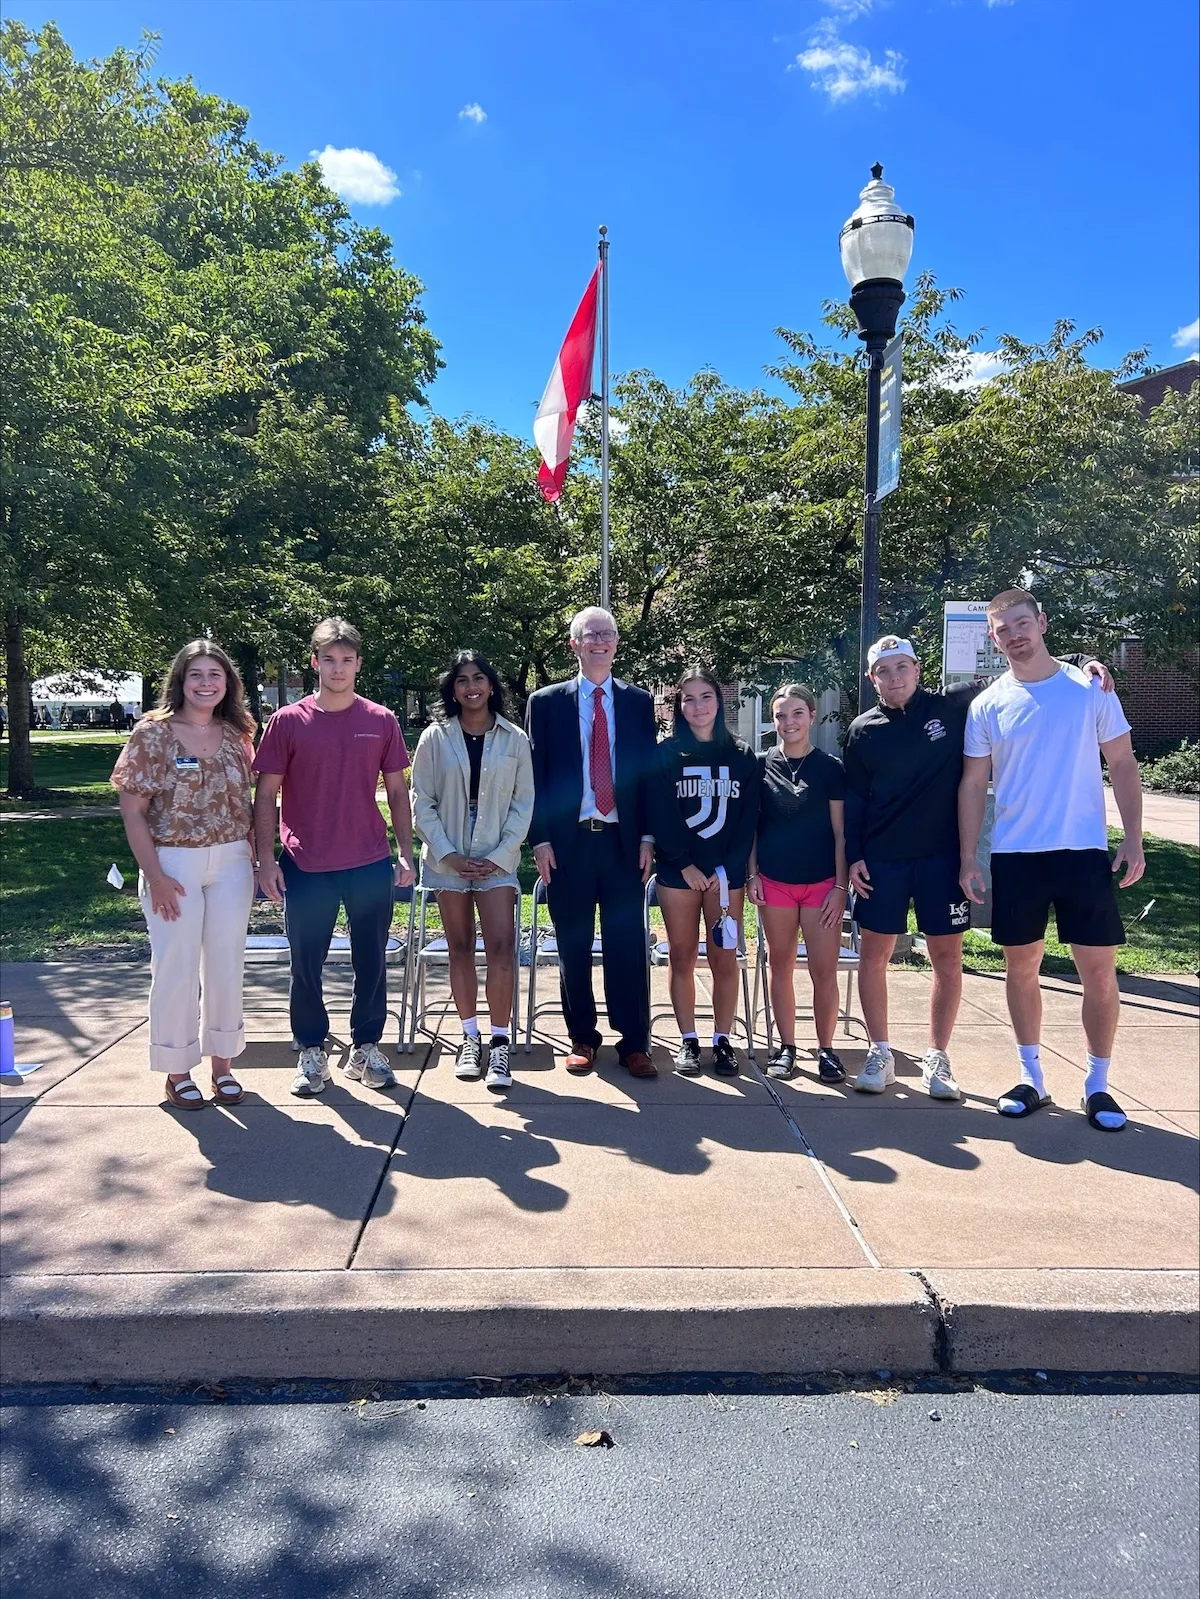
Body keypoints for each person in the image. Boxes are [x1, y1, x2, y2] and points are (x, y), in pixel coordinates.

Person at [843, 634, 1112, 1101]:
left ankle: (937, 1057)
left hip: (943, 858)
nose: (895, 677)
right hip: (883, 860)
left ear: (918, 668)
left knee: (947, 959)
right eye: (884, 671)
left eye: (902, 667)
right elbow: (854, 799)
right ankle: (880, 1053)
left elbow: (1022, 662)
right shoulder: (862, 730)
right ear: (872, 679)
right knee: (874, 957)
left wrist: (1083, 659)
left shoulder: (953, 704)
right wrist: (853, 856)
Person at [960, 589, 1144, 1131]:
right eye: (1003, 629)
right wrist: (969, 855)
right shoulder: (988, 704)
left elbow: (1123, 763)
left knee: (1099, 973)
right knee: (1021, 968)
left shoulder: (1089, 688)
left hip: (1082, 851)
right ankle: (1032, 1077)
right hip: (1016, 854)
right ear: (993, 638)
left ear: (1041, 622)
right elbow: (972, 783)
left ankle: (1098, 1085)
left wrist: (1133, 839)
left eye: (1022, 623)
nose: (1014, 635)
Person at [254, 617, 415, 1098]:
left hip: (368, 860)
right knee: (306, 964)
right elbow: (265, 795)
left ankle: (366, 1048)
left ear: (359, 664)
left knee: (372, 960)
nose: (338, 668)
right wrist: (265, 859)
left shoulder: (381, 720)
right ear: (315, 663)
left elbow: (398, 792)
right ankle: (311, 1050)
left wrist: (405, 852)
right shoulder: (288, 721)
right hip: (305, 864)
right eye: (329, 659)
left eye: (346, 660)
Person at [111, 640, 257, 1110]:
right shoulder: (152, 733)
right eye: (196, 674)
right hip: (172, 863)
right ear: (180, 680)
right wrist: (154, 876)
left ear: (228, 683)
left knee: (226, 964)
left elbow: (249, 803)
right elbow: (133, 811)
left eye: (215, 674)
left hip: (232, 862)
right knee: (176, 966)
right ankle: (177, 1070)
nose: (206, 683)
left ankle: (223, 1066)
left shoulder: (238, 732)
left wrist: (258, 859)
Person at [525, 606, 659, 1077]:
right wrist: (540, 839)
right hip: (569, 844)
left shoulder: (639, 702)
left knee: (627, 945)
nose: (600, 641)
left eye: (607, 634)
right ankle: (582, 1037)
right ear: (574, 645)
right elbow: (536, 778)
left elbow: (647, 775)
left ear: (616, 643)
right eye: (591, 635)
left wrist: (648, 836)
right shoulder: (546, 703)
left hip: (624, 843)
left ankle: (634, 1043)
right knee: (573, 944)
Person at [410, 650, 534, 1092]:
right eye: (462, 680)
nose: (471, 687)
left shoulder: (514, 738)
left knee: (501, 948)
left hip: (497, 859)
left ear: (491, 684)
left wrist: (500, 854)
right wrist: (448, 854)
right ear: (453, 689)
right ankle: (469, 1038)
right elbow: (421, 800)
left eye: (479, 678)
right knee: (459, 948)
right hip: (447, 860)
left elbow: (523, 803)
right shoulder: (435, 737)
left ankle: (499, 1043)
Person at [649, 668, 761, 1077]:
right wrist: (685, 864)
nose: (698, 706)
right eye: (689, 699)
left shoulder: (742, 755)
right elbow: (660, 815)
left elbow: (748, 819)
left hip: (724, 877)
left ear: (719, 701)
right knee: (682, 956)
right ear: (679, 706)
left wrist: (728, 869)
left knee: (724, 957)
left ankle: (722, 1040)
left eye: (706, 697)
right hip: (679, 873)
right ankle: (688, 1040)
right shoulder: (665, 754)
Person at [746, 684, 850, 1083]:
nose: (788, 722)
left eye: (797, 714)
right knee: (781, 966)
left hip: (822, 885)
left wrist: (840, 888)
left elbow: (840, 834)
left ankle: (826, 1050)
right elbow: (752, 829)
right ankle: (786, 1047)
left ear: (812, 716)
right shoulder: (759, 765)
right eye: (780, 715)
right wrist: (752, 874)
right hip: (775, 882)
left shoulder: (830, 768)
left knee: (824, 971)